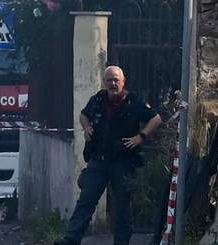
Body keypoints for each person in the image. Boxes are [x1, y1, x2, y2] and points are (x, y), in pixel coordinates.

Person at [54, 66, 162, 245]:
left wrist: (140, 137)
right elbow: (83, 115)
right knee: (86, 201)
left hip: (123, 162)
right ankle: (71, 239)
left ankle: (121, 242)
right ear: (104, 82)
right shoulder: (98, 100)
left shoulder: (133, 102)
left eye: (116, 80)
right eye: (109, 80)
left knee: (122, 206)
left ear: (123, 81)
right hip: (99, 161)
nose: (113, 83)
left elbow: (156, 118)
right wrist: (86, 127)